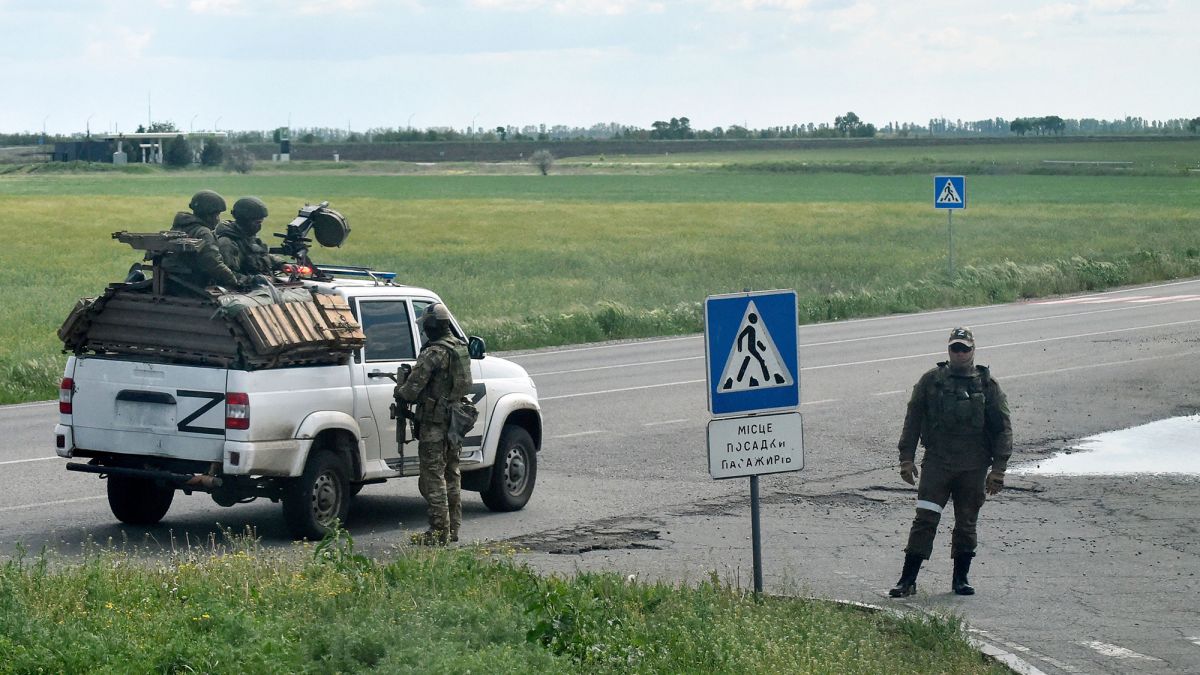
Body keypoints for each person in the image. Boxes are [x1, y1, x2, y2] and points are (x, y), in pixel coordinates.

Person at [888, 327, 1012, 597]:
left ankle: (961, 579)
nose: (959, 353)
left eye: (964, 348)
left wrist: (998, 470)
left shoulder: (987, 386)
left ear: (973, 350)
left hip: (973, 466)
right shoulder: (931, 382)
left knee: (966, 523)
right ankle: (907, 580)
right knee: (925, 521)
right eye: (955, 348)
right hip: (937, 465)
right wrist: (906, 459)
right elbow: (913, 421)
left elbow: (1003, 429)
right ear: (948, 350)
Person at [394, 303, 474, 545]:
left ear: (430, 326)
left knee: (433, 477)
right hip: (455, 421)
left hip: (435, 423)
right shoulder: (460, 347)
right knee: (452, 473)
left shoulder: (434, 353)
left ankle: (438, 532)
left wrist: (399, 390)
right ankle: (452, 530)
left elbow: (410, 390)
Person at [160, 190, 249, 294]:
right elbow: (213, 264)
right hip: (194, 286)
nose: (218, 219)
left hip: (174, 283)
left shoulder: (179, 227)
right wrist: (234, 280)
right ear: (208, 215)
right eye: (216, 215)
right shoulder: (203, 232)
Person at [216, 196, 284, 277]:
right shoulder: (227, 243)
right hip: (244, 287)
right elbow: (227, 275)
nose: (259, 226)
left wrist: (281, 264)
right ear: (244, 220)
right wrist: (254, 280)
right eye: (257, 222)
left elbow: (260, 255)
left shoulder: (248, 236)